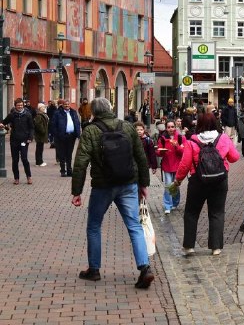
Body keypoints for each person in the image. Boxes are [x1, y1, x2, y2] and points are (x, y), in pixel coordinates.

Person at [71, 97, 154, 289]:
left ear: (94, 112)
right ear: (110, 108)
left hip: (103, 185)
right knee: (134, 225)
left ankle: (94, 269)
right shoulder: (127, 127)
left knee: (94, 225)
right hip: (128, 183)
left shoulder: (90, 130)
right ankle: (145, 268)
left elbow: (81, 162)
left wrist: (77, 191)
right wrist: (144, 184)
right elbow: (140, 157)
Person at [173, 112, 239, 255]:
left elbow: (185, 164)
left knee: (191, 212)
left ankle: (189, 246)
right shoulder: (224, 138)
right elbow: (234, 157)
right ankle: (216, 247)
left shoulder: (192, 141)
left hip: (198, 180)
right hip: (220, 180)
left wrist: (178, 180)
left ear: (199, 124)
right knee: (217, 212)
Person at [1, 98, 35, 184]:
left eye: (21, 105)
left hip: (24, 140)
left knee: (24, 159)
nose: (19, 106)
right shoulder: (12, 115)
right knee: (15, 160)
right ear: (15, 106)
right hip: (14, 140)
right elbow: (4, 122)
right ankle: (16, 178)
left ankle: (29, 177)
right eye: (18, 105)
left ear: (23, 105)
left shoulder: (28, 115)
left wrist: (30, 138)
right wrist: (4, 126)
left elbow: (31, 127)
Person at [49, 99, 81, 177]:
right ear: (62, 105)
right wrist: (57, 135)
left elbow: (77, 123)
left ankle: (69, 170)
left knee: (69, 154)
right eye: (65, 104)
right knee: (62, 154)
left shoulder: (73, 112)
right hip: (61, 136)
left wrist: (78, 134)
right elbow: (53, 125)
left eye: (68, 104)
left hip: (71, 136)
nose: (67, 106)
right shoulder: (57, 113)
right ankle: (63, 170)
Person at [157, 120, 184, 214]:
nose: (170, 129)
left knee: (175, 185)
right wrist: (161, 151)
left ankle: (175, 203)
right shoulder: (162, 138)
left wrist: (177, 146)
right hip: (167, 165)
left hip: (177, 165)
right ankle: (167, 205)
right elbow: (158, 152)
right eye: (168, 127)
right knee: (168, 185)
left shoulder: (180, 137)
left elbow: (183, 152)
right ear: (166, 128)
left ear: (175, 127)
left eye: (172, 127)